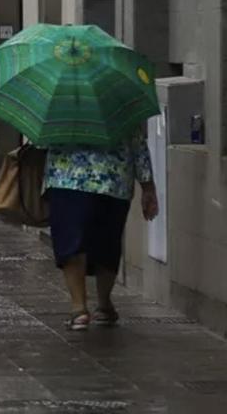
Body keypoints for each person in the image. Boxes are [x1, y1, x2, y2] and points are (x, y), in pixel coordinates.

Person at [44, 135, 158, 330]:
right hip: (112, 179)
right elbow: (136, 141)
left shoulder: (57, 105)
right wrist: (147, 185)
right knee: (108, 242)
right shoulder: (120, 104)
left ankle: (79, 308)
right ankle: (104, 304)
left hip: (66, 177)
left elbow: (40, 139)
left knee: (70, 242)